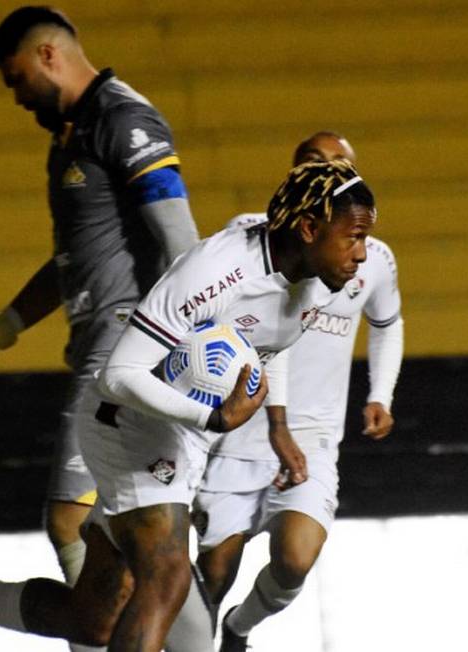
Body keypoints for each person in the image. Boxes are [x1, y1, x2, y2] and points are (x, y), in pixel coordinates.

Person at [0, 159, 377, 652]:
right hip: (129, 429)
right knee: (168, 580)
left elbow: (266, 345)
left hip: (182, 440)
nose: (362, 254)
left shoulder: (318, 283)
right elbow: (119, 375)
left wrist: (273, 424)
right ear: (310, 227)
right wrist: (213, 416)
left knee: (95, 623)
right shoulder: (217, 270)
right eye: (354, 237)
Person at [0, 4, 199, 619]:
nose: (15, 97)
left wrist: (180, 348)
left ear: (47, 57)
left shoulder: (124, 118)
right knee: (139, 548)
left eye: (15, 80)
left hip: (125, 350)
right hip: (97, 348)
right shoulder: (70, 139)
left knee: (74, 523)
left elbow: (181, 242)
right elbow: (72, 261)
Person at [195, 133, 405, 652]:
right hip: (239, 429)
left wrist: (381, 393)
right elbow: (275, 334)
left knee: (295, 558)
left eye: (341, 164)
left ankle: (239, 630)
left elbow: (388, 322)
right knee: (212, 577)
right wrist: (273, 424)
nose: (329, 172)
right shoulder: (252, 236)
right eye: (315, 162)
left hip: (310, 436)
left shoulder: (370, 256)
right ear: (293, 175)